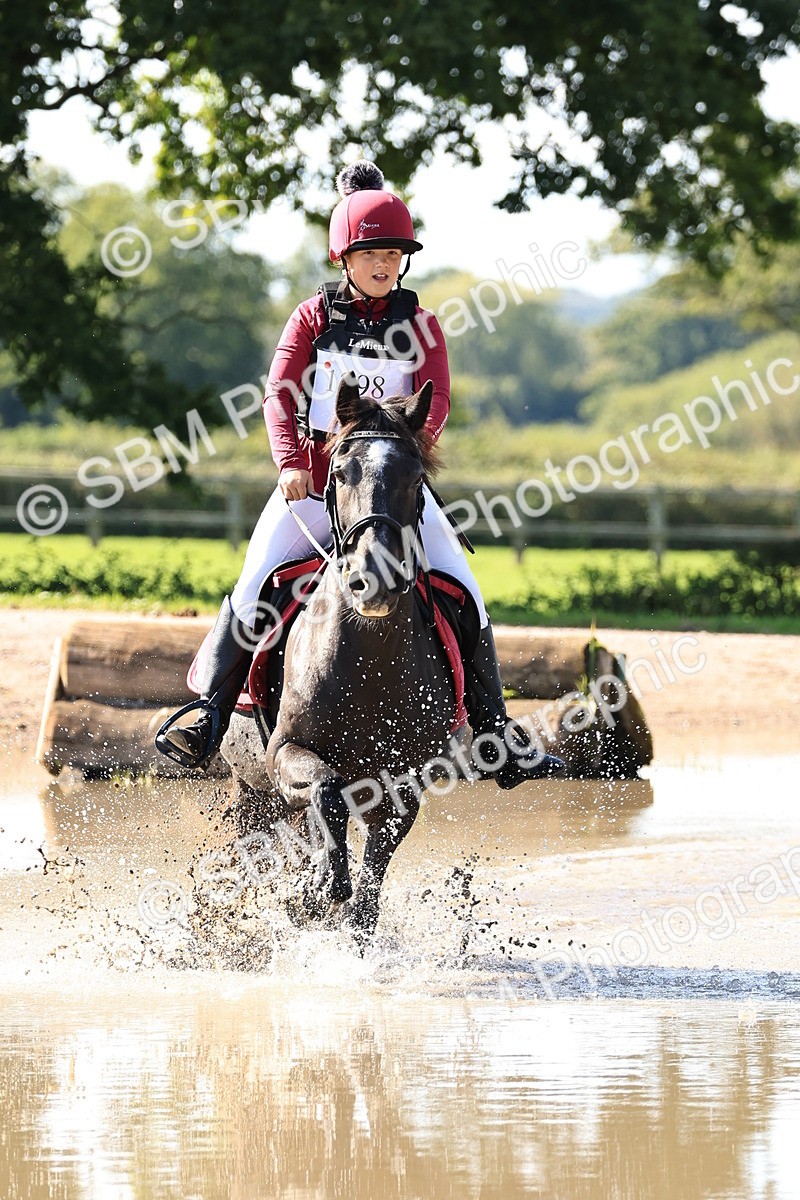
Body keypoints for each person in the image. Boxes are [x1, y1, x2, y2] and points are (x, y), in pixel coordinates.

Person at [156, 161, 563, 785]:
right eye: (370, 252)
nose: (383, 265)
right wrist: (291, 461)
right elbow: (279, 392)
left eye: (394, 254)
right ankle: (207, 719)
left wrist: (406, 457)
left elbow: (439, 398)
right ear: (344, 256)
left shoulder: (422, 324)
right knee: (254, 583)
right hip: (318, 486)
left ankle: (495, 733)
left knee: (467, 591)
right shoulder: (312, 318)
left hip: (393, 494)